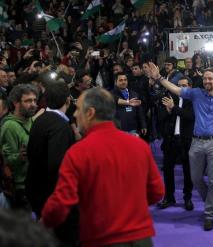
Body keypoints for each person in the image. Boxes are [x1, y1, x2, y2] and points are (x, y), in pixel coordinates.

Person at [41, 88, 165, 246]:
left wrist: (42, 222)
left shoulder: (78, 152)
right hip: (142, 239)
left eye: (78, 109)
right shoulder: (139, 146)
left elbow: (61, 203)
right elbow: (157, 192)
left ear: (90, 113)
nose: (74, 114)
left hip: (102, 239)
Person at [149, 62, 213, 231]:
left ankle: (209, 213)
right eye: (205, 78)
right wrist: (159, 78)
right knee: (196, 178)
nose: (207, 81)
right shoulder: (196, 94)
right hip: (196, 142)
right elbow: (176, 90)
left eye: (210, 79)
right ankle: (211, 203)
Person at [26, 82, 78, 245]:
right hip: (53, 199)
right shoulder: (60, 126)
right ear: (68, 100)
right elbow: (58, 166)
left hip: (38, 191)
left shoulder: (40, 119)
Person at [157, 77, 195, 211]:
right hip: (170, 140)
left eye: (184, 85)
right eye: (178, 85)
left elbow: (191, 116)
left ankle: (187, 197)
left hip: (187, 141)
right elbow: (160, 118)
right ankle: (169, 196)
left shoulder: (193, 101)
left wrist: (173, 108)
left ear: (190, 87)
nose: (181, 88)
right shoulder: (170, 98)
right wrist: (167, 111)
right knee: (167, 170)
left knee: (187, 171)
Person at [0, 84, 38, 210]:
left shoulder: (31, 120)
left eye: (34, 100)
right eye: (28, 101)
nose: (33, 104)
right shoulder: (10, 126)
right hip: (20, 188)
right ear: (16, 103)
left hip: (33, 182)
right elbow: (5, 160)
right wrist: (19, 157)